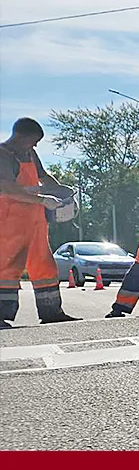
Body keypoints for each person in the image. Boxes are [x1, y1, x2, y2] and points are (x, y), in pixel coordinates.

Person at [0, 118, 80, 328]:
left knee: (44, 265)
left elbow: (43, 177)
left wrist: (61, 192)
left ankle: (51, 311)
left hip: (35, 220)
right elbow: (7, 188)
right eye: (32, 141)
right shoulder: (3, 154)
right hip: (9, 220)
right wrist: (42, 199)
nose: (34, 146)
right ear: (20, 136)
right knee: (7, 266)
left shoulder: (29, 154)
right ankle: (1, 315)